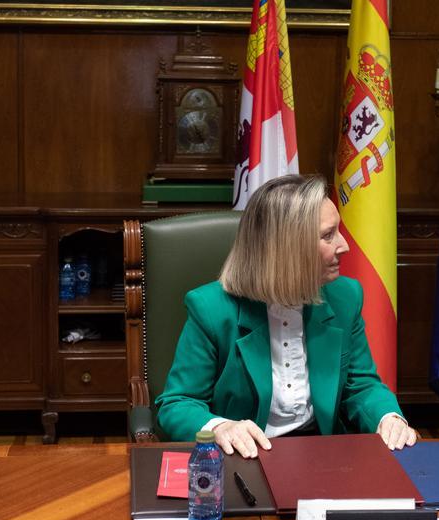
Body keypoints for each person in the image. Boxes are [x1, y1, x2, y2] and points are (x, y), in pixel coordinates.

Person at [155, 174, 416, 458]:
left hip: (325, 453)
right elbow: (178, 403)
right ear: (287, 248)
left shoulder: (345, 296)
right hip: (246, 457)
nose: (344, 245)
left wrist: (387, 417)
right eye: (328, 235)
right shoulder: (211, 309)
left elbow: (361, 385)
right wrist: (219, 427)